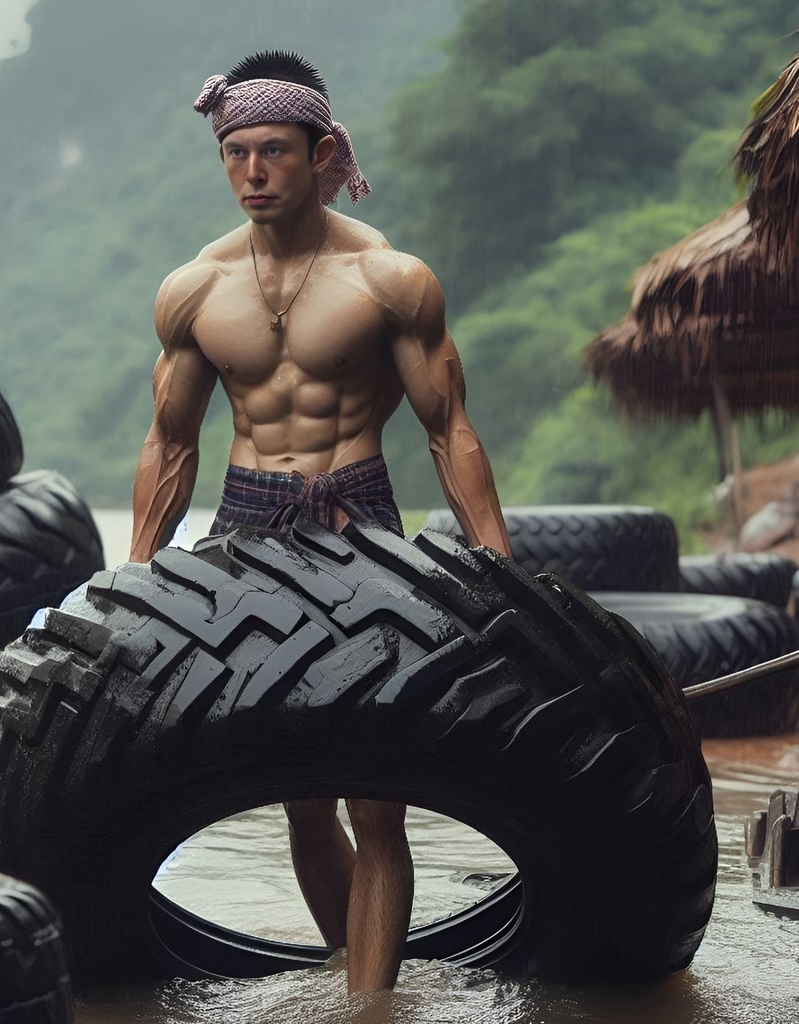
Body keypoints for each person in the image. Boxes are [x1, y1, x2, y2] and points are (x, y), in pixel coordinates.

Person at [129, 50, 512, 993]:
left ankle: (368, 1006)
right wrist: (133, 575)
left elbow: (446, 429)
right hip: (246, 523)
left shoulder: (389, 278)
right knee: (299, 794)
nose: (251, 174)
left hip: (360, 519)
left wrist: (498, 565)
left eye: (272, 153)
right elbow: (170, 446)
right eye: (234, 154)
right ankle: (359, 986)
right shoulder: (194, 290)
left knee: (377, 798)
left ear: (325, 154)